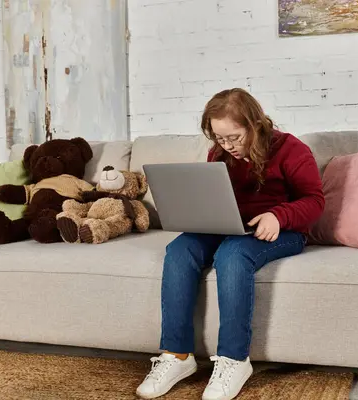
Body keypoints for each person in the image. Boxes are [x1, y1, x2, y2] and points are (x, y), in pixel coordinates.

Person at [136, 88, 325, 400]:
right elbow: (218, 196)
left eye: (233, 137)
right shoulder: (220, 153)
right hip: (229, 226)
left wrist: (278, 216)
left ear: (255, 124)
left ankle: (234, 360)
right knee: (179, 250)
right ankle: (177, 356)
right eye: (218, 138)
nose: (226, 145)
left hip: (282, 231)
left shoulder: (292, 149)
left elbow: (315, 201)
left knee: (233, 255)